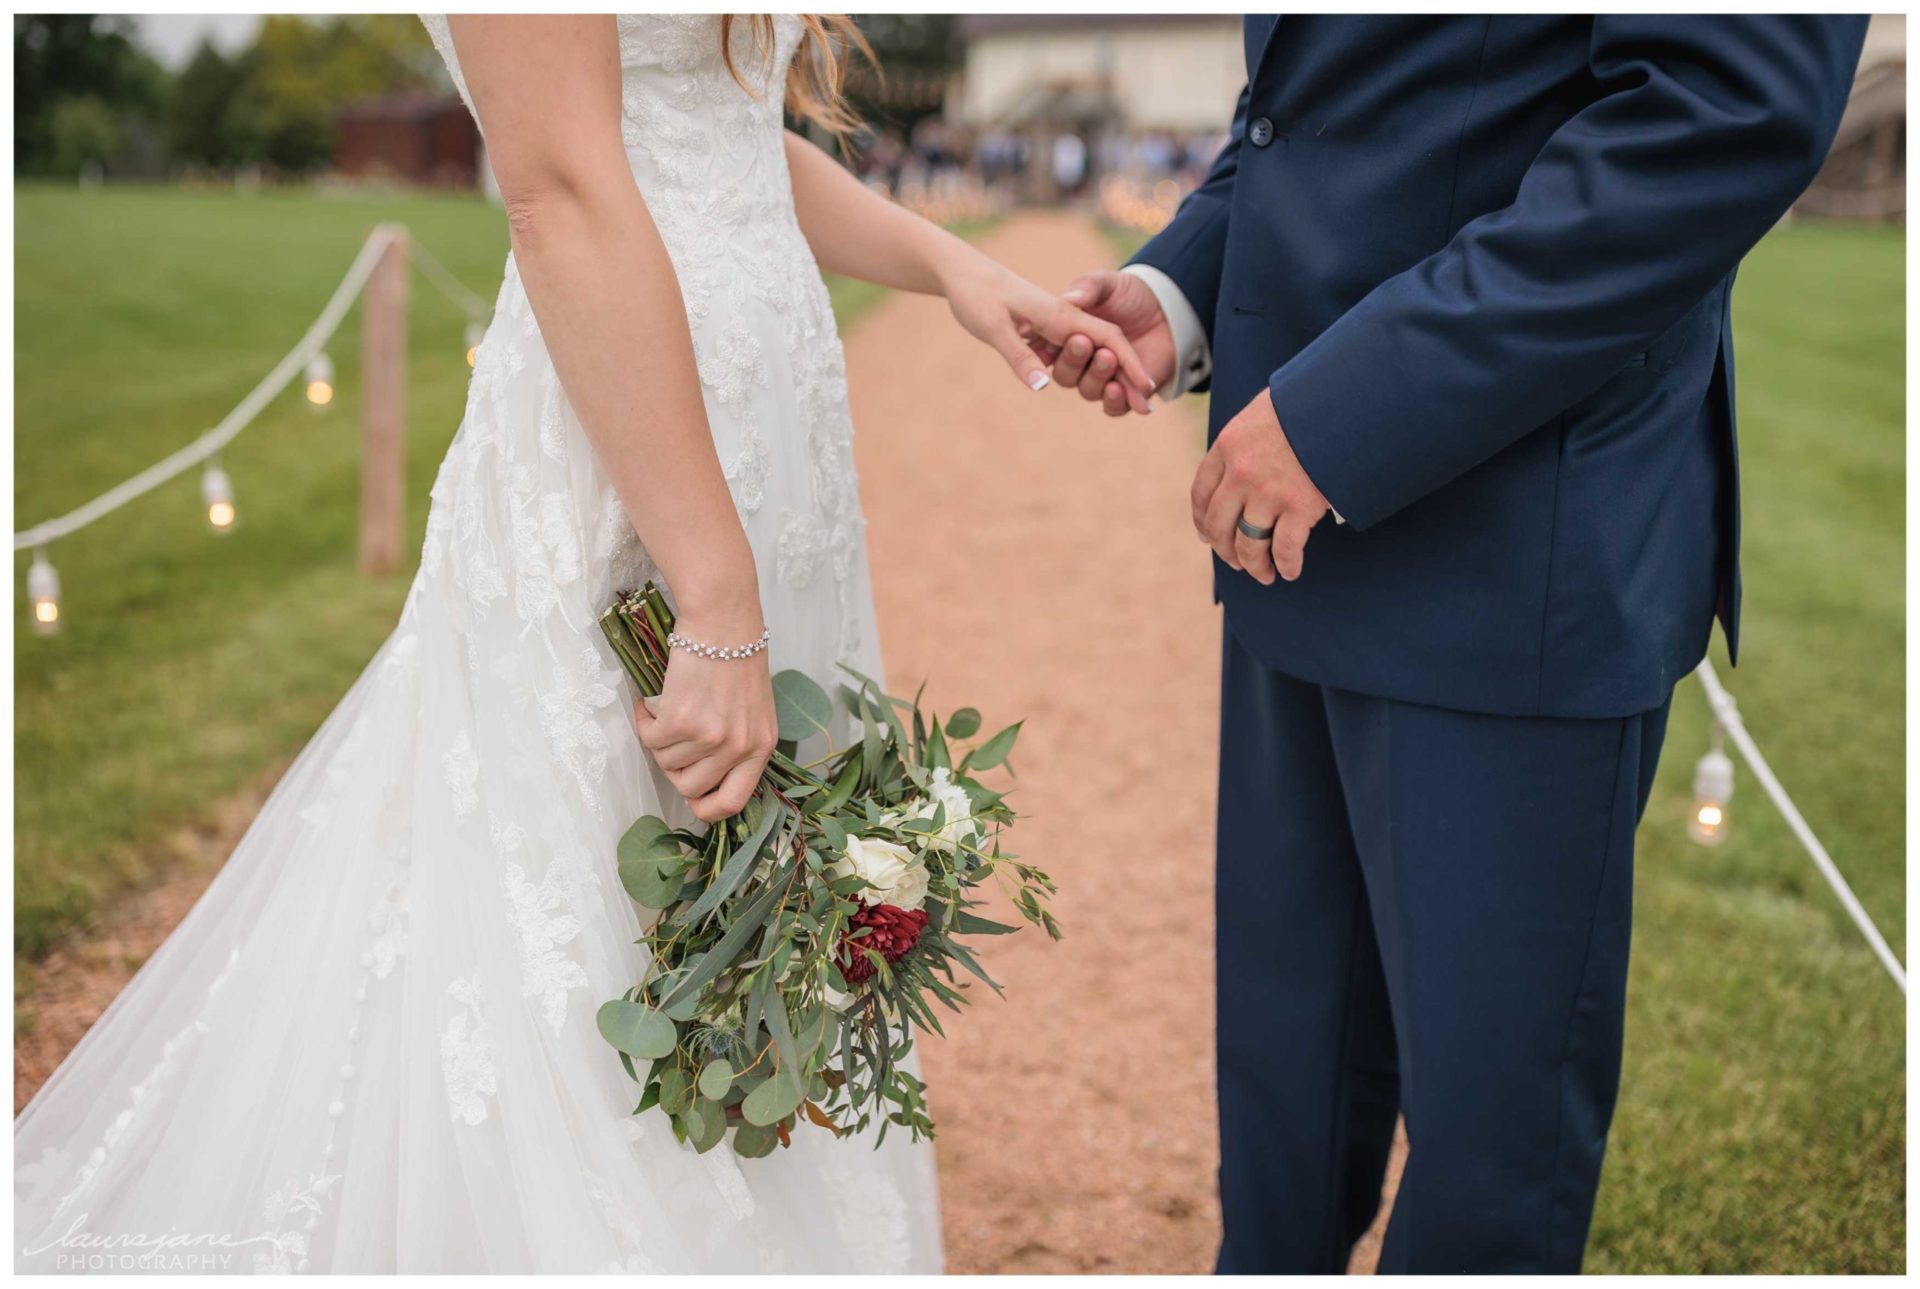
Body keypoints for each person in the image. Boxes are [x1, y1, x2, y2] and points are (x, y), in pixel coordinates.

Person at [12, 14, 1151, 1273]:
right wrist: (714, 595)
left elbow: (718, 143)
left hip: (773, 446)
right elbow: (558, 184)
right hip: (635, 450)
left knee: (765, 893)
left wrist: (953, 267)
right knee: (588, 899)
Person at [1042, 14, 1868, 1274]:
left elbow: (1722, 116)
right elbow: (1331, 98)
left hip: (1510, 537)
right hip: (1290, 523)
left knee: (1488, 1172)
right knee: (1283, 1107)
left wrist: (1344, 413)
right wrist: (1181, 286)